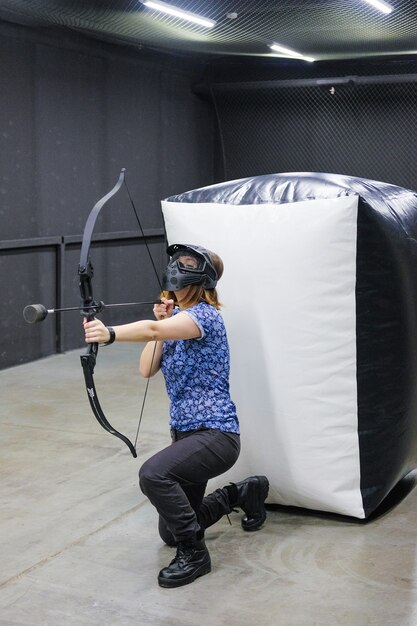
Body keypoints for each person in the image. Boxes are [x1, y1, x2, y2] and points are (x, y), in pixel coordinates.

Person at [84, 243, 269, 588]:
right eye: (176, 261)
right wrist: (162, 322)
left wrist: (109, 334)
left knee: (153, 474)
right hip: (185, 437)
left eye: (187, 263)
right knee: (171, 531)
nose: (177, 268)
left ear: (202, 278)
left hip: (215, 435)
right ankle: (241, 494)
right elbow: (146, 368)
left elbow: (154, 333)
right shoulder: (174, 325)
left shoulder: (205, 317)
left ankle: (196, 556)